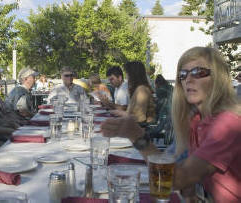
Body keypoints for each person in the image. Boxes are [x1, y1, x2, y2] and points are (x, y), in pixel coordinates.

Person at [101, 47, 241, 202]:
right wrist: (191, 190)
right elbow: (180, 169)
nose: (188, 79)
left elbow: (175, 180)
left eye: (198, 72)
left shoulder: (228, 124)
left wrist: (137, 136)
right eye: (183, 74)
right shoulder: (196, 120)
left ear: (218, 79)